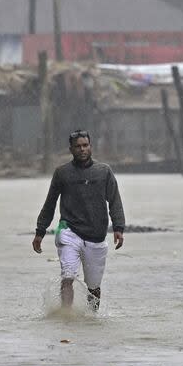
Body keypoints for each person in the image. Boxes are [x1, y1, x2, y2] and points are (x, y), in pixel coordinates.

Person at [32, 129, 125, 311]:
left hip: (96, 236)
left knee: (94, 287)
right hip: (69, 231)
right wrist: (40, 231)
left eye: (85, 145)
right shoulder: (62, 173)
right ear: (71, 149)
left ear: (90, 147)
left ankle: (92, 318)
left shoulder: (103, 171)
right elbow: (50, 203)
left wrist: (119, 227)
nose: (82, 149)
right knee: (68, 276)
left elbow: (115, 200)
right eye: (78, 147)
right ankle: (67, 316)